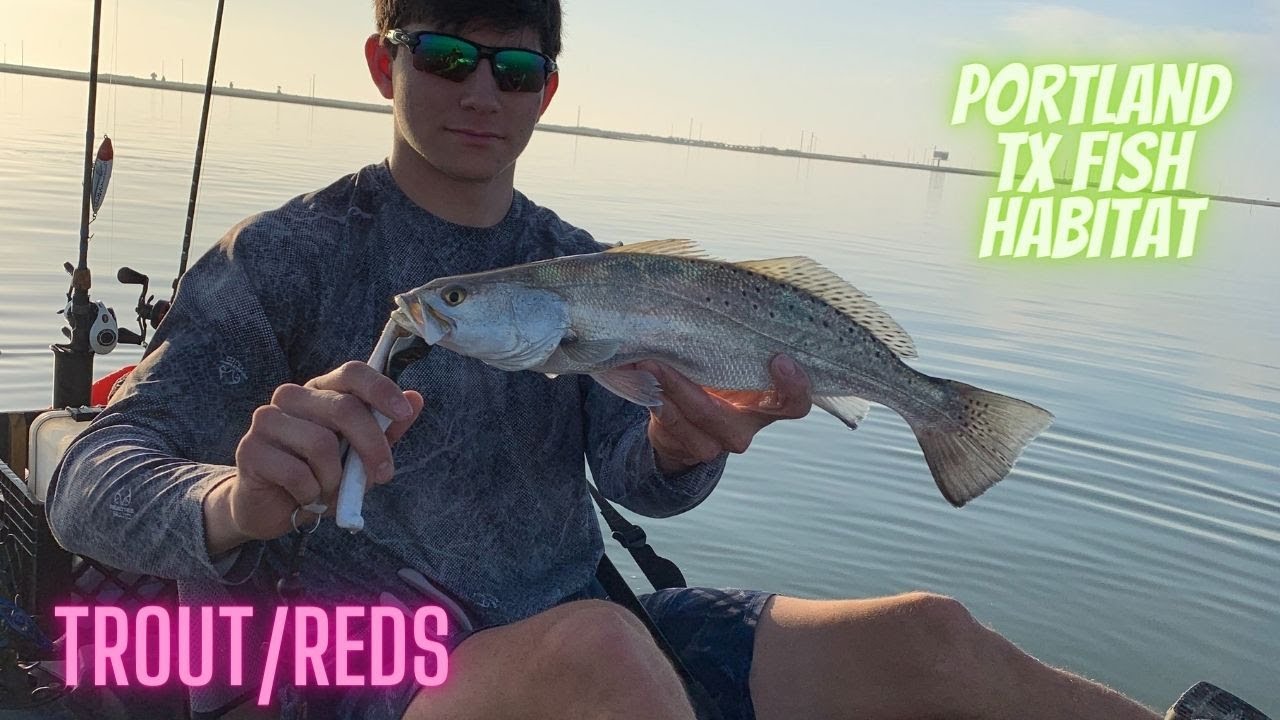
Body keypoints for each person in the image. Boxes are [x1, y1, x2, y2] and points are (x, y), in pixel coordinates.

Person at [48, 1, 1166, 719]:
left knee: (933, 636)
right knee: (598, 652)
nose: (480, 90)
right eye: (443, 55)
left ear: (548, 86)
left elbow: (635, 478)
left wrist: (680, 442)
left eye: (514, 68)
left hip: (592, 621)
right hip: (365, 668)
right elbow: (88, 482)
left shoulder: (580, 267)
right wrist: (236, 499)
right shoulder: (280, 258)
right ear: (381, 60)